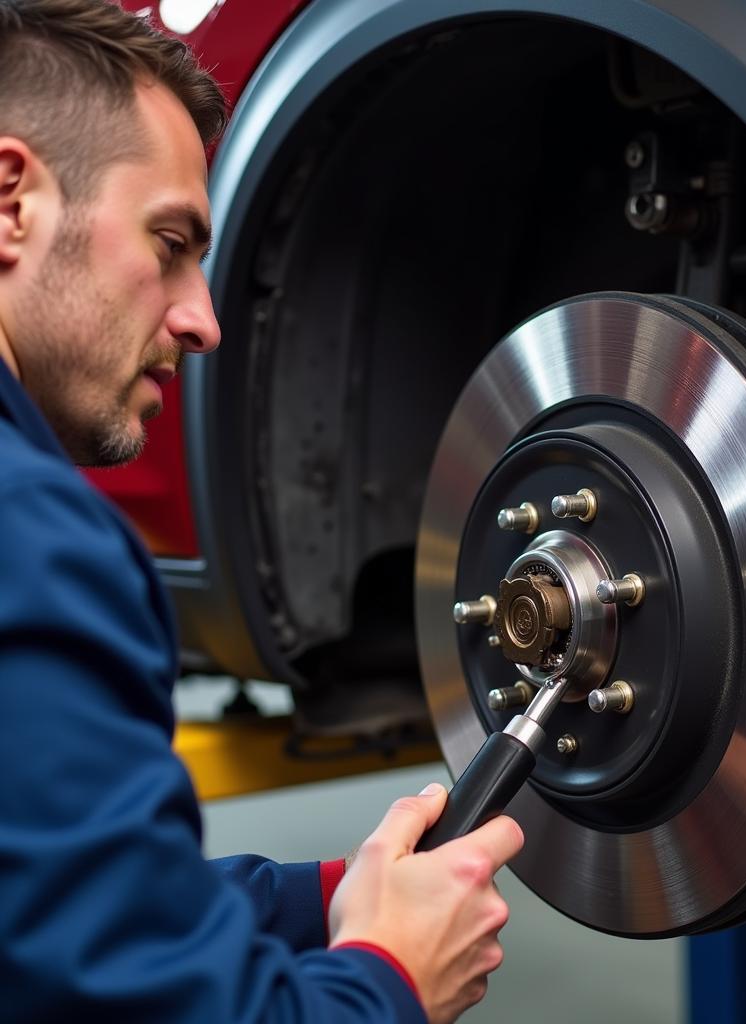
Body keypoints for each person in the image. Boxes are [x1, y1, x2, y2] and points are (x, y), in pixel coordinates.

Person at [0, 2, 523, 1021]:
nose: (202, 322)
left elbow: (52, 898)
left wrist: (332, 897)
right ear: (11, 199)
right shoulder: (39, 550)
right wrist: (388, 976)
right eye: (170, 242)